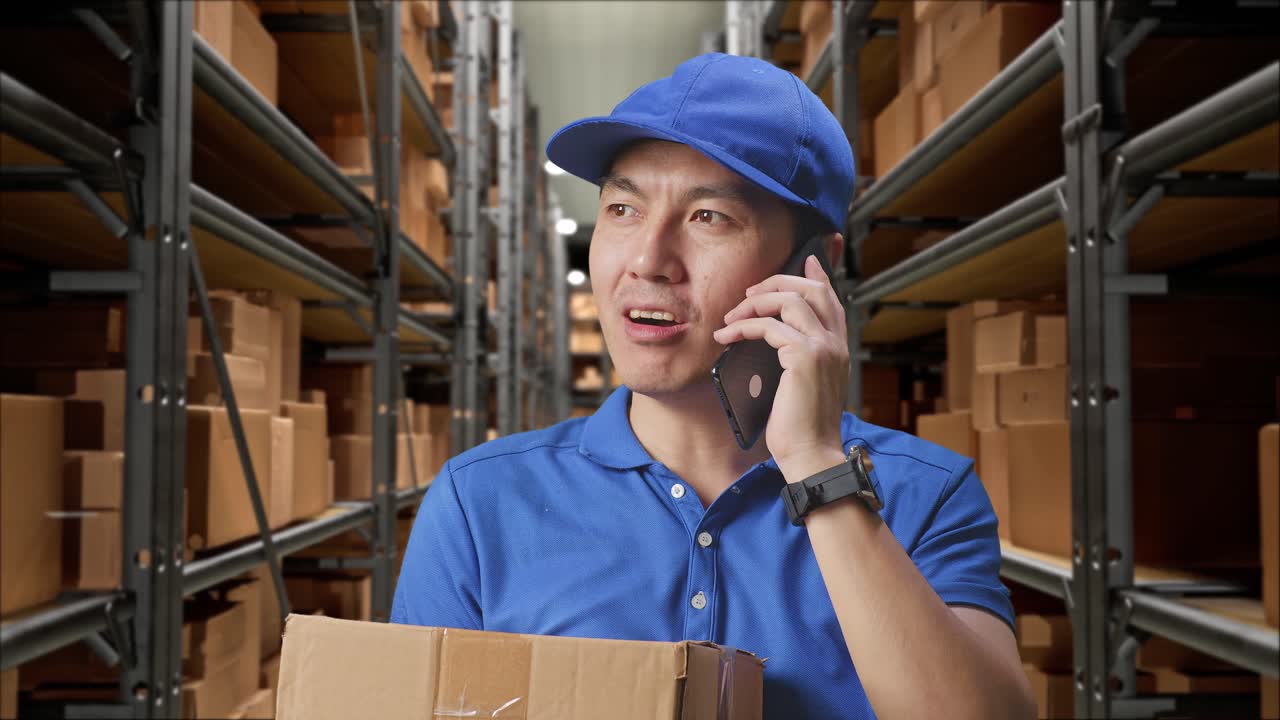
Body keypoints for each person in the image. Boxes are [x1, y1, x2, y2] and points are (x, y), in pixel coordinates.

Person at [393, 52, 1035, 719]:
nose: (647, 260)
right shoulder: (480, 503)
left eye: (709, 218)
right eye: (622, 208)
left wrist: (818, 468)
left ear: (814, 268)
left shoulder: (925, 495)